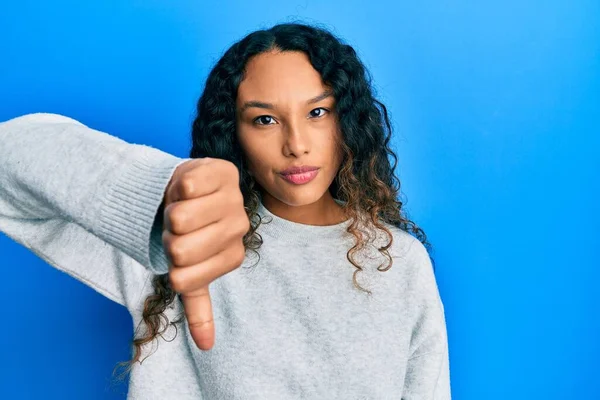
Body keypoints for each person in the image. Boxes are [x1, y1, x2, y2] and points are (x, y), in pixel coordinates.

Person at [0, 22, 451, 399]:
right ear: (234, 133)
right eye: (265, 119)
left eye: (317, 112)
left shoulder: (401, 262)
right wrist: (153, 191)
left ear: (348, 120)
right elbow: (9, 159)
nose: (296, 144)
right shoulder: (182, 234)